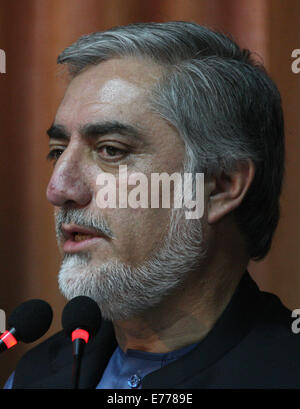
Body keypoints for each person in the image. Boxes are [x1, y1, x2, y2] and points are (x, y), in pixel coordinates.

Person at [5, 21, 300, 389]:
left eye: (111, 150)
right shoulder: (34, 375)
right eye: (57, 151)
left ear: (220, 186)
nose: (58, 188)